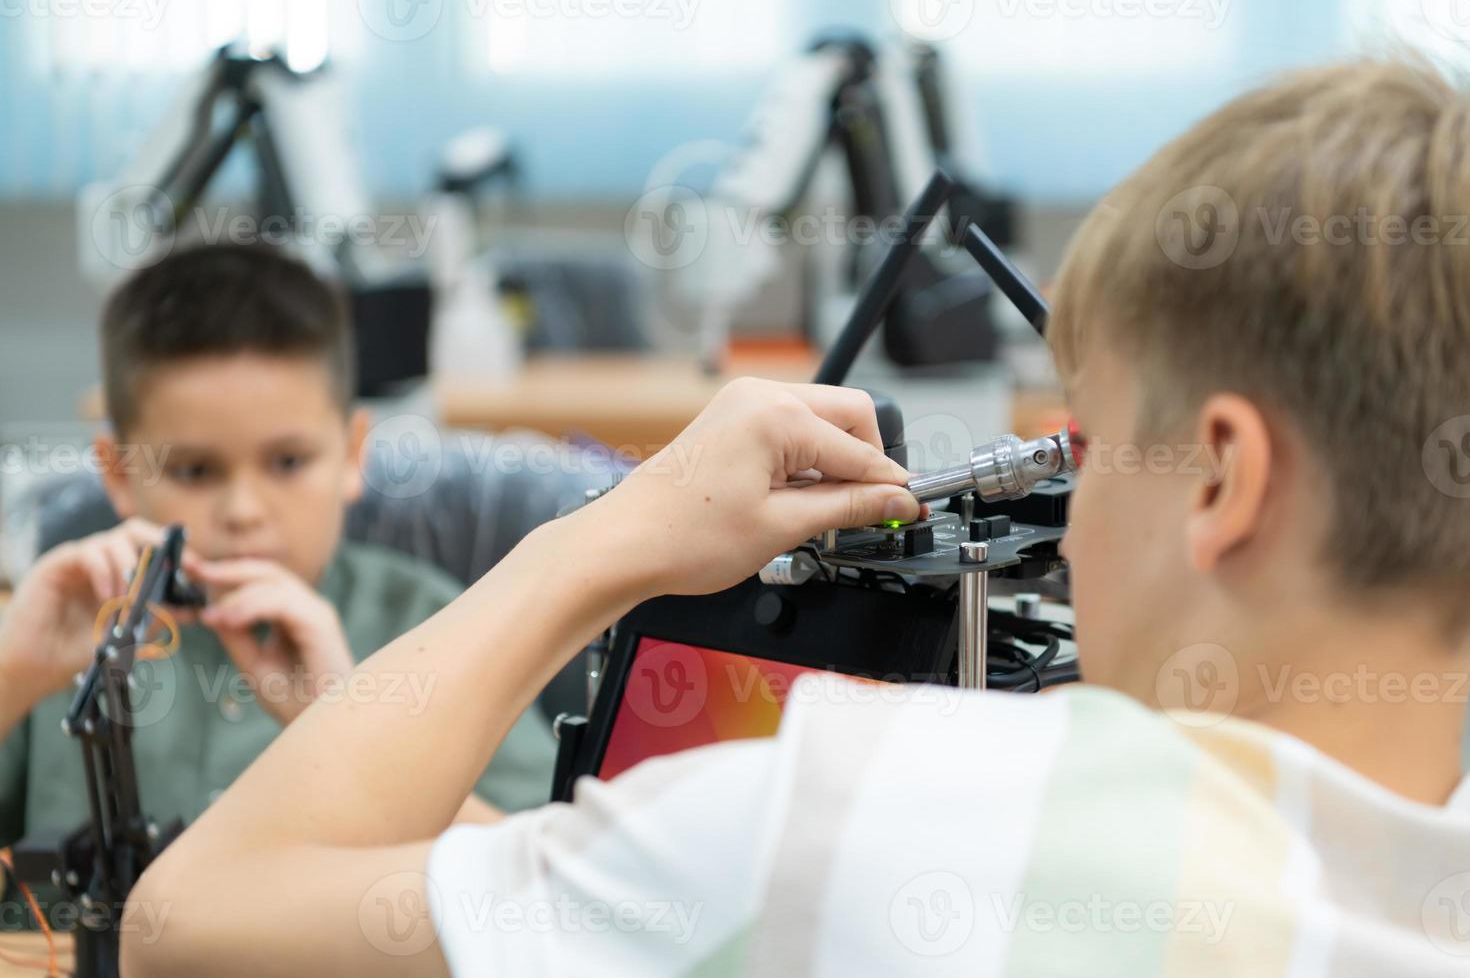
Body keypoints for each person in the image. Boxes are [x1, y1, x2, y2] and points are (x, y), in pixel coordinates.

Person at [123, 58, 1470, 976]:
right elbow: (651, 892)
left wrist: (604, 536)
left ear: (1223, 478)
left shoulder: (870, 818)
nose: (1065, 518)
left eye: (1092, 446)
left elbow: (188, 928)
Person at [0, 244, 557, 927]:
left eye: (288, 461)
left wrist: (349, 719)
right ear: (118, 473)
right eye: (195, 471)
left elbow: (547, 882)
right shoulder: (58, 628)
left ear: (354, 454)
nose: (242, 511)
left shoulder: (442, 629)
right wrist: (14, 671)